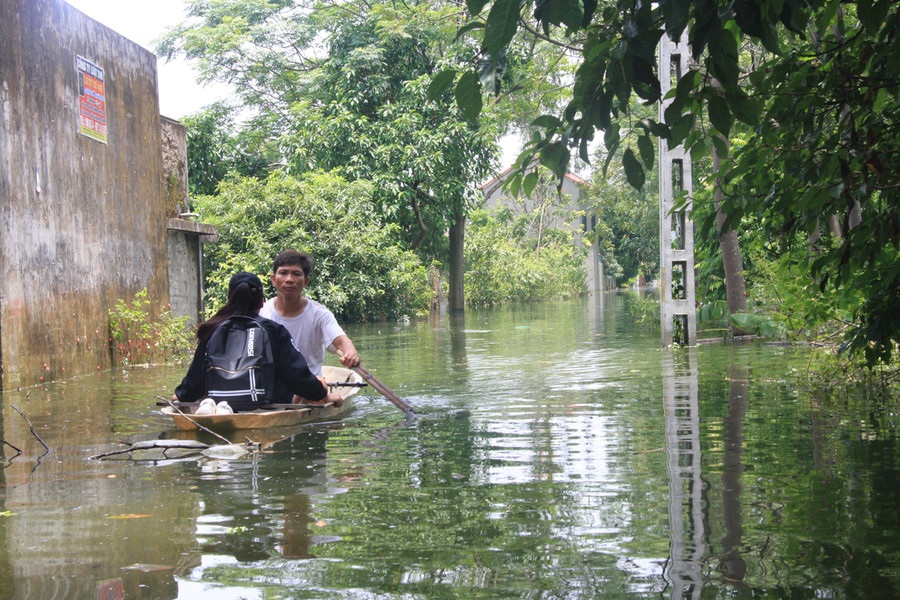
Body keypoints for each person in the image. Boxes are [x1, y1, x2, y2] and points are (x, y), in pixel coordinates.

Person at [172, 271, 344, 410]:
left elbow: (195, 377)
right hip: (267, 405)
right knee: (318, 382)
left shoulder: (211, 328)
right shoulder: (274, 330)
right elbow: (297, 375)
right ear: (262, 302)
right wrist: (323, 395)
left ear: (229, 299)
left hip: (220, 403)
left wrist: (181, 395)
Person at [260, 250, 360, 377]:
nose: (289, 279)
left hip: (310, 387)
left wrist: (350, 352)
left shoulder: (319, 314)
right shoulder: (262, 311)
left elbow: (341, 341)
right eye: (283, 273)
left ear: (306, 282)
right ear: (273, 280)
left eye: (296, 274)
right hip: (273, 386)